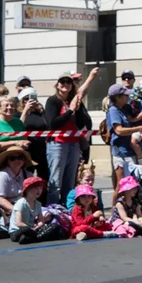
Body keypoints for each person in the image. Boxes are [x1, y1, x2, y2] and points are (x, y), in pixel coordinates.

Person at [44, 73, 86, 204]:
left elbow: (83, 123)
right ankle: (53, 209)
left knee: (70, 180)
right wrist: (69, 111)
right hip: (57, 144)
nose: (65, 84)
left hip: (73, 144)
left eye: (68, 82)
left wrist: (78, 109)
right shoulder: (52, 101)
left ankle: (68, 209)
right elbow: (53, 124)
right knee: (56, 181)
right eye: (62, 81)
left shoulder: (74, 100)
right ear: (57, 84)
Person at [106, 84, 142, 191]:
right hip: (121, 153)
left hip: (130, 151)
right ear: (118, 97)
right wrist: (139, 128)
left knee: (132, 185)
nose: (128, 97)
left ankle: (131, 207)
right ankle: (116, 207)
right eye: (125, 95)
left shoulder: (125, 108)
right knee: (122, 186)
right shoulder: (113, 111)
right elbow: (119, 130)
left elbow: (133, 121)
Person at [0, 147, 31, 229]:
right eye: (12, 158)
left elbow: (34, 196)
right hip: (6, 214)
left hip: (26, 210)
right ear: (7, 161)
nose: (17, 161)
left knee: (49, 215)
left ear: (24, 160)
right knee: (21, 227)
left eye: (20, 158)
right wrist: (17, 211)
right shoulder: (2, 175)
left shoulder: (29, 175)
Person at [17, 87, 49, 184]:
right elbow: (18, 126)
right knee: (27, 176)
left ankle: (43, 197)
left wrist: (42, 111)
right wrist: (26, 110)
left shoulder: (39, 113)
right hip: (28, 149)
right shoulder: (18, 113)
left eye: (32, 98)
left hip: (42, 148)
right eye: (26, 98)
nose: (29, 100)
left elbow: (48, 126)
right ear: (22, 101)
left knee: (44, 177)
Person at [9, 176, 50, 244]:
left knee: (54, 226)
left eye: (40, 188)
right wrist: (30, 229)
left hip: (32, 229)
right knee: (25, 230)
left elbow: (42, 220)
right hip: (18, 231)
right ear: (27, 189)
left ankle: (32, 237)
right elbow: (19, 223)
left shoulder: (38, 204)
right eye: (36, 188)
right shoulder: (21, 203)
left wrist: (37, 227)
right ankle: (36, 237)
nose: (39, 190)